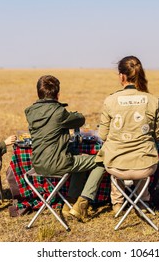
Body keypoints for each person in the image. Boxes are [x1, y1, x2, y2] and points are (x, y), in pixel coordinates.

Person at [24, 75, 105, 222]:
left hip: (38, 164)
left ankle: (69, 203)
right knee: (102, 161)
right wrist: (72, 113)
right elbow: (80, 119)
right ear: (58, 94)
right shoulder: (59, 112)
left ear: (38, 93)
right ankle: (82, 203)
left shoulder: (30, 111)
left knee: (79, 162)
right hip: (58, 163)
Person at [96, 55, 159, 214]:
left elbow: (102, 135)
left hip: (116, 165)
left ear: (122, 76)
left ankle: (117, 203)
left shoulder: (110, 100)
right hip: (145, 166)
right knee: (146, 154)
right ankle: (142, 200)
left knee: (115, 154)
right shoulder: (153, 100)